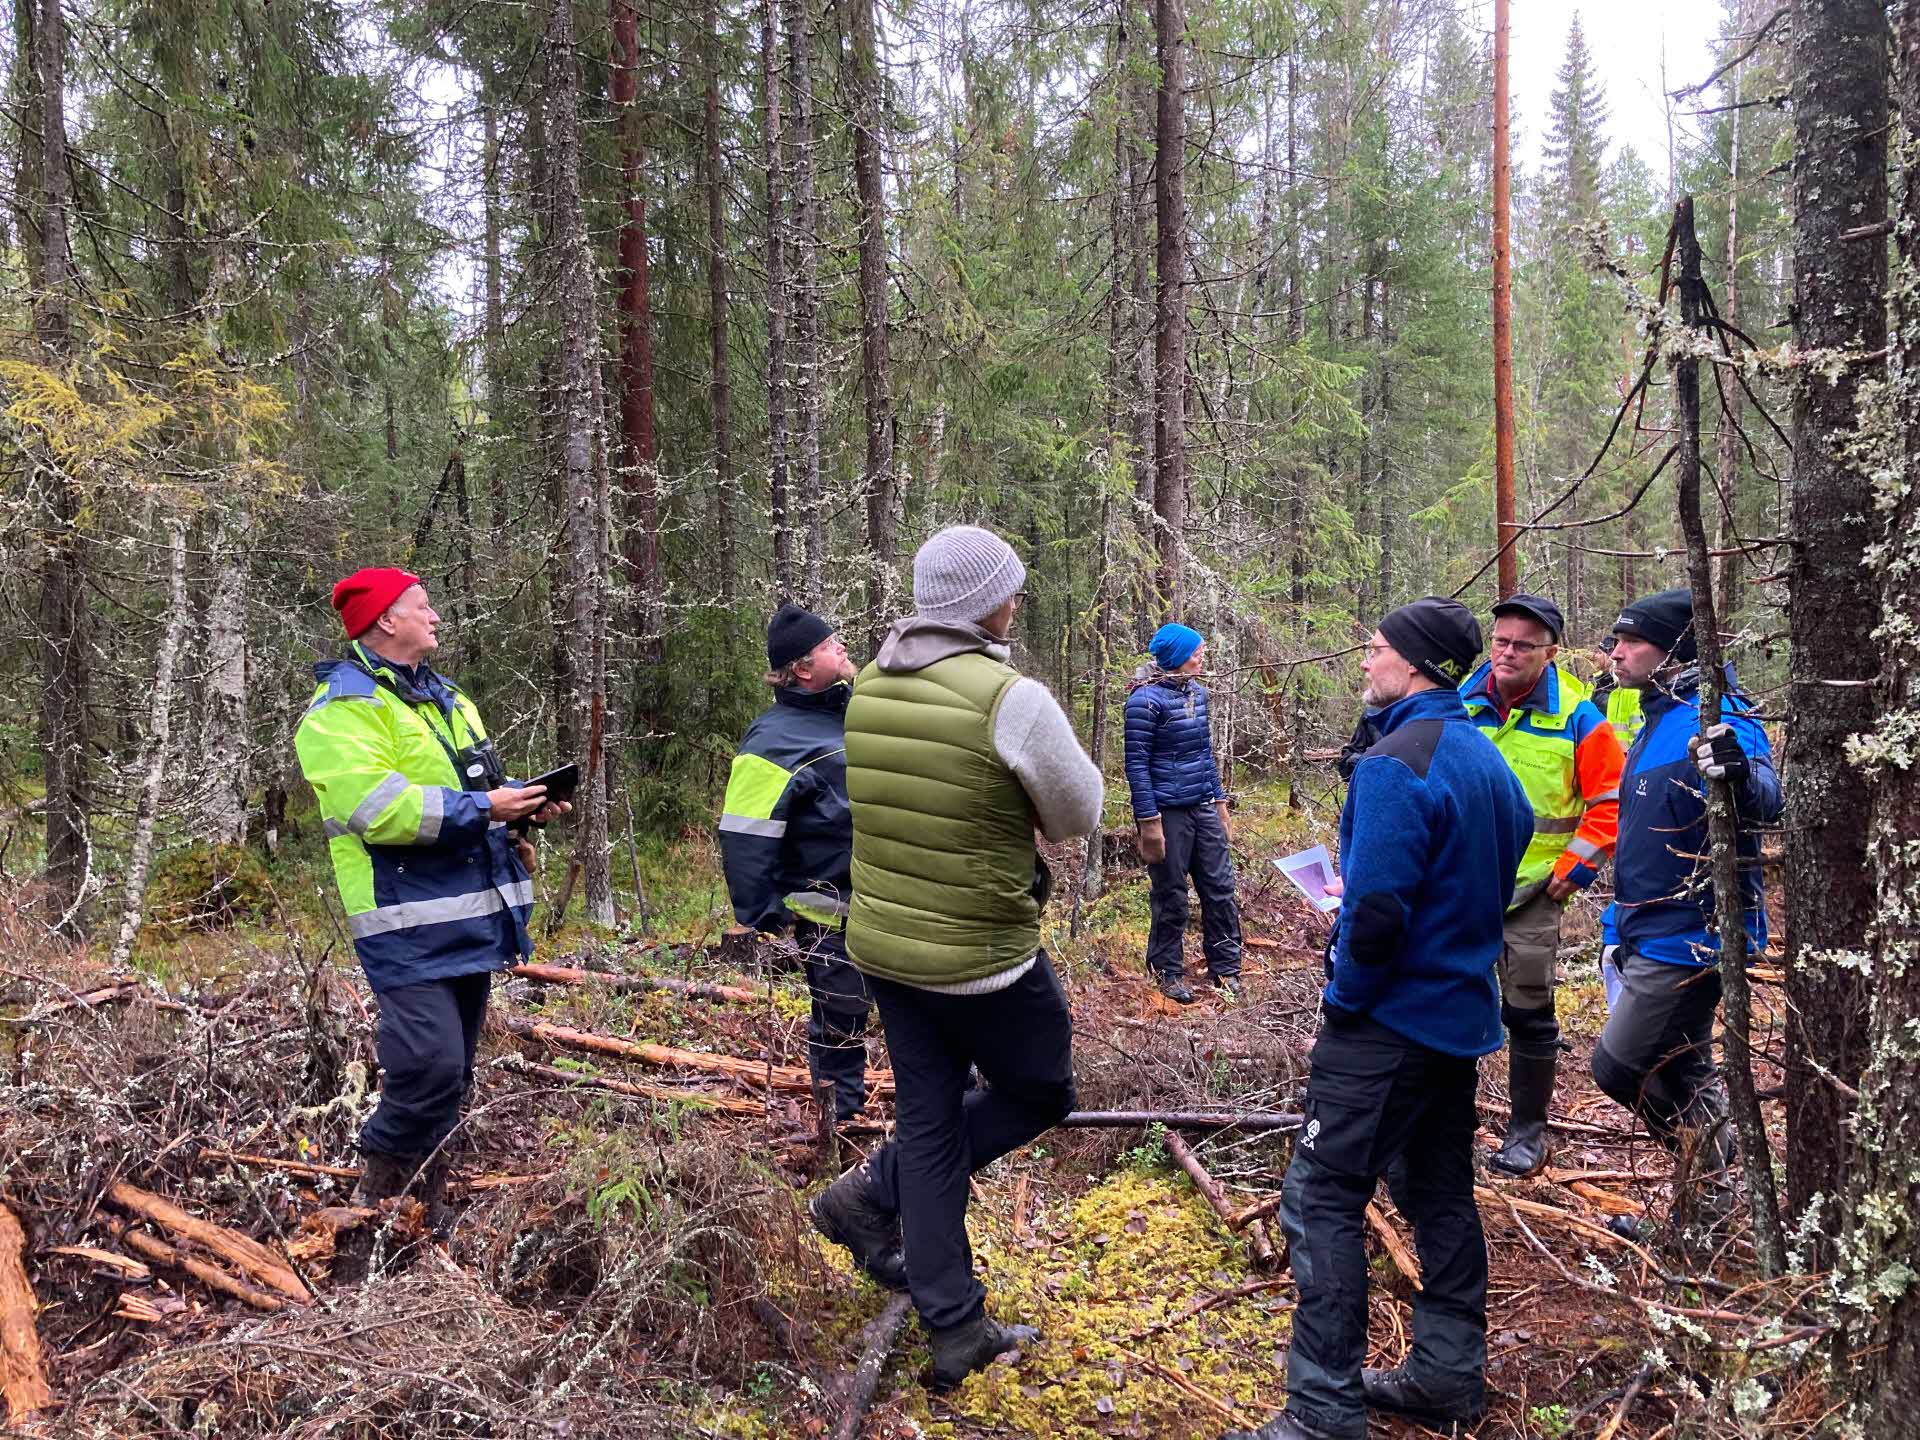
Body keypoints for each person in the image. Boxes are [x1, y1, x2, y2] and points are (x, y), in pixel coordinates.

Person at [1226, 598, 1532, 1440]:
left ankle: (1322, 1412)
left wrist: (1346, 999)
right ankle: (1445, 1377)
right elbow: (1491, 870)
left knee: (1320, 1197)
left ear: (1420, 667)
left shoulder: (1397, 763)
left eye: (1376, 650)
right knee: (1437, 1194)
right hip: (1457, 1021)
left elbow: (1381, 915)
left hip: (1389, 1027)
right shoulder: (1485, 759)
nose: (1365, 663)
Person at [808, 525, 1104, 1391]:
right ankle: (869, 1198)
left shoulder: (867, 689)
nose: (1017, 598)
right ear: (990, 601)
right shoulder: (1008, 696)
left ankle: (952, 1321)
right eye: (1012, 587)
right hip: (984, 958)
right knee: (1042, 1091)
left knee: (934, 1125)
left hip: (887, 950)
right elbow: (1078, 814)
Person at [295, 568, 568, 1278]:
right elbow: (379, 810)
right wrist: (488, 811)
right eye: (422, 606)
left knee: (454, 1073)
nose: (436, 615)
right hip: (402, 921)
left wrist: (523, 810)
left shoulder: (449, 700)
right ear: (386, 621)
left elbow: (476, 789)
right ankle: (367, 1216)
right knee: (428, 1066)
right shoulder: (340, 711)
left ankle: (425, 1216)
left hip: (470, 916)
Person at [1590, 589, 1782, 1228]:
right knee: (1686, 1067)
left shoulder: (1718, 711)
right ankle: (1710, 1213)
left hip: (1693, 939)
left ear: (1675, 647)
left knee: (1620, 1066)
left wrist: (1737, 770)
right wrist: (1616, 928)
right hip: (1648, 933)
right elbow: (1638, 838)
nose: (1616, 652)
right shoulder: (1654, 721)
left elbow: (1766, 797)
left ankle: (1717, 1184)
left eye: (1630, 641)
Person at [1458, 593, 1624, 1177]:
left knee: (1528, 1010)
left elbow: (1611, 802)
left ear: (1549, 652)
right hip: (1459, 886)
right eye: (1499, 641)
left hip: (1531, 894)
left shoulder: (1579, 717)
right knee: (1451, 1000)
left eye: (1521, 645)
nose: (1505, 653)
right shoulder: (1460, 703)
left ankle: (1528, 1131)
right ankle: (1453, 1122)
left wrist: (1569, 874)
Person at [718, 603, 874, 1123]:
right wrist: (767, 913)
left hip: (892, 905)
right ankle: (842, 1129)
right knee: (840, 1021)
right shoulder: (772, 739)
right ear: (803, 667)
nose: (843, 647)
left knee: (921, 1017)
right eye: (832, 644)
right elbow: (744, 835)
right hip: (829, 912)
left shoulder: (861, 714)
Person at [1124, 622, 1244, 1003]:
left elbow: (1205, 756)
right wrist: (1149, 822)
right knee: (1172, 895)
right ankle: (1167, 973)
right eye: (1196, 651)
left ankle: (1226, 969)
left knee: (1221, 888)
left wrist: (1220, 803)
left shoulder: (1198, 694)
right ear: (1177, 657)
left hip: (1202, 806)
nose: (1202, 655)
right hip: (1166, 813)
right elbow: (1136, 766)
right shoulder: (1143, 702)